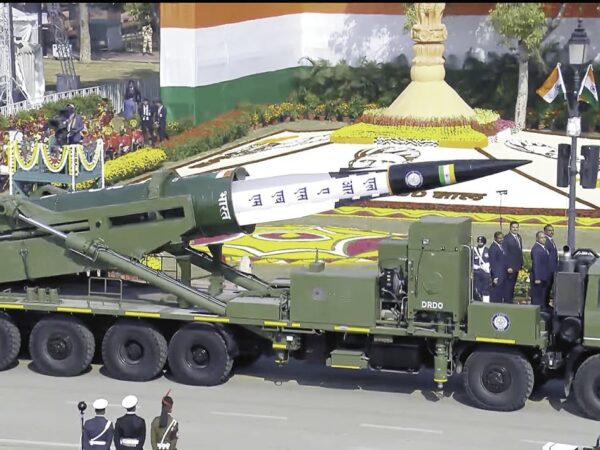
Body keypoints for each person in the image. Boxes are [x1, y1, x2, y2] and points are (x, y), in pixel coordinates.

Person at [503, 221, 523, 303]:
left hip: (516, 266)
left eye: (516, 227)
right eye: (513, 227)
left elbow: (519, 251)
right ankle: (507, 301)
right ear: (510, 228)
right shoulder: (506, 238)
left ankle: (510, 300)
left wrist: (521, 263)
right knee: (509, 285)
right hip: (510, 267)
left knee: (513, 285)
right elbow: (505, 254)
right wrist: (508, 266)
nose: (515, 229)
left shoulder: (519, 237)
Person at [531, 231, 551, 309]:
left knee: (542, 296)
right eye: (541, 238)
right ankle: (536, 312)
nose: (543, 239)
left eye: (544, 237)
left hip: (544, 276)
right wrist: (537, 278)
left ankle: (542, 310)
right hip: (539, 277)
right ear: (537, 238)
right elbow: (536, 264)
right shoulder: (536, 249)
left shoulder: (543, 247)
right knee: (537, 297)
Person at [489, 231, 507, 303]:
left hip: (502, 274)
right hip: (497, 275)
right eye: (499, 238)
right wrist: (495, 277)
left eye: (502, 238)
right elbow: (492, 263)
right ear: (495, 238)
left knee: (500, 293)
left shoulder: (500, 246)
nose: (501, 239)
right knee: (496, 293)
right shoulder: (493, 248)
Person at [472, 236, 491, 302]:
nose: (480, 243)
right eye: (479, 242)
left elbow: (491, 261)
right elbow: (470, 261)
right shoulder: (474, 250)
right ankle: (477, 302)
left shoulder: (488, 250)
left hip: (485, 273)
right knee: (476, 289)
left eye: (481, 242)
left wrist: (487, 265)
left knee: (486, 289)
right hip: (476, 272)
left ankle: (486, 304)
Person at [543, 224, 559, 306]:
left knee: (549, 288)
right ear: (545, 232)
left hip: (552, 269)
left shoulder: (551, 241)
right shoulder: (546, 241)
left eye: (552, 230)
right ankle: (544, 304)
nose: (551, 232)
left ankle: (546, 304)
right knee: (546, 288)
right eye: (549, 230)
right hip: (548, 269)